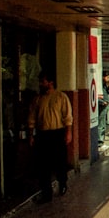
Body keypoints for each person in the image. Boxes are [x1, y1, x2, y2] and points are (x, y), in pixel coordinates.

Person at [27, 71, 74, 203]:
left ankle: (62, 182)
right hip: (42, 134)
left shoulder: (61, 97)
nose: (41, 84)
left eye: (43, 81)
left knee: (60, 161)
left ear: (50, 83)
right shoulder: (37, 100)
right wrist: (31, 135)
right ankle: (46, 193)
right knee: (43, 165)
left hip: (57, 133)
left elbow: (68, 117)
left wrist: (68, 133)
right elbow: (31, 118)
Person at [97, 71, 109, 143]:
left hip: (105, 105)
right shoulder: (99, 85)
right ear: (103, 77)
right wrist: (102, 102)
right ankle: (100, 140)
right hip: (102, 105)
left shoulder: (105, 85)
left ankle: (102, 139)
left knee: (103, 123)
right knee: (101, 122)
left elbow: (108, 92)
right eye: (107, 77)